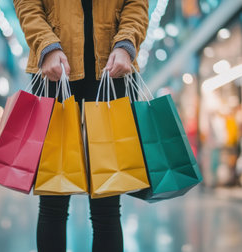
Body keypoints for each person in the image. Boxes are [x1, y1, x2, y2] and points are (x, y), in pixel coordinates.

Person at [14, 0, 149, 251]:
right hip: (54, 67)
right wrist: (46, 45)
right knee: (53, 198)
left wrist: (126, 43)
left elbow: (136, 3)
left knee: (108, 200)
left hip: (112, 69)